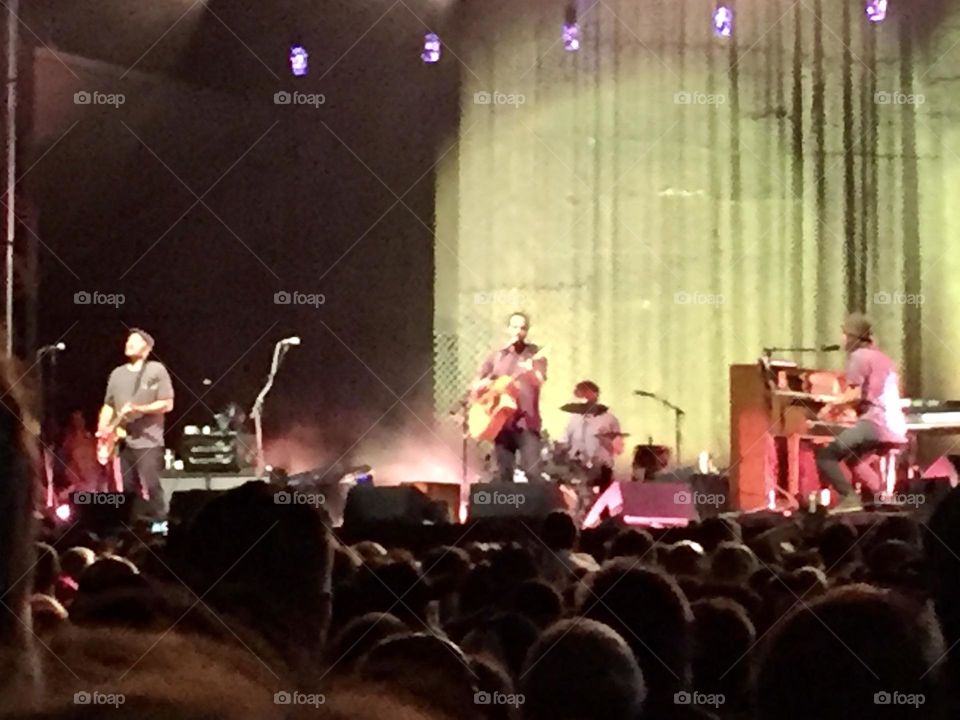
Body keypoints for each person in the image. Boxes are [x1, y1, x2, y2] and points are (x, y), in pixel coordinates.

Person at [815, 313, 907, 512]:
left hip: (876, 424)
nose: (842, 339)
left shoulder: (859, 356)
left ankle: (849, 498)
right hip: (896, 426)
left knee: (826, 456)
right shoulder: (884, 359)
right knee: (854, 460)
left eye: (844, 334)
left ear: (852, 336)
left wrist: (830, 407)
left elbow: (855, 393)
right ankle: (883, 499)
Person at [97, 328, 174, 519]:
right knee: (126, 490)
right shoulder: (117, 374)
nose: (128, 343)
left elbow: (167, 403)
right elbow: (109, 405)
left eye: (135, 340)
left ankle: (159, 524)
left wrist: (139, 409)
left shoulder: (156, 370)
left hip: (148, 441)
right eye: (128, 340)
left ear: (147, 348)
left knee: (151, 486)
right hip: (122, 442)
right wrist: (103, 430)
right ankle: (130, 528)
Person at [473, 311, 547, 482]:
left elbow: (540, 381)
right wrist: (483, 386)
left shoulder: (535, 354)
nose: (518, 332)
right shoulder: (496, 356)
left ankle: (535, 508)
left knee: (533, 473)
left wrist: (531, 372)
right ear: (508, 329)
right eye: (515, 327)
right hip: (501, 421)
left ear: (527, 331)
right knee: (503, 474)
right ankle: (507, 508)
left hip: (527, 422)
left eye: (522, 328)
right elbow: (476, 385)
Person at [561, 380, 624, 485]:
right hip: (576, 468)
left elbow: (618, 449)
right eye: (582, 394)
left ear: (596, 395)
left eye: (587, 393)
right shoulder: (574, 419)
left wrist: (605, 440)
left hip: (601, 469)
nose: (586, 398)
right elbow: (565, 442)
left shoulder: (609, 419)